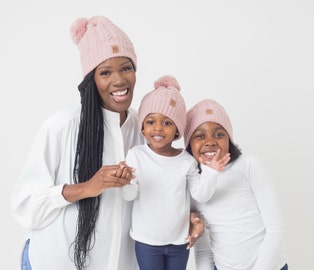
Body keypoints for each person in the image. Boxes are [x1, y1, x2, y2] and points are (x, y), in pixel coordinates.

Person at [10, 16, 203, 270]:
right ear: (92, 80)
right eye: (105, 72)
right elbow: (25, 207)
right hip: (55, 262)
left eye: (126, 68)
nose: (119, 80)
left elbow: (170, 184)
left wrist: (190, 216)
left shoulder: (147, 129)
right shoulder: (61, 126)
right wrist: (87, 187)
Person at [120, 76, 230, 270]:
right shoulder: (136, 155)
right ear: (143, 129)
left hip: (180, 242)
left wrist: (211, 172)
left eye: (167, 123)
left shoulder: (186, 161)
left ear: (178, 130)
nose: (158, 128)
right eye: (151, 122)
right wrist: (127, 181)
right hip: (147, 242)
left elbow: (200, 195)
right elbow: (129, 196)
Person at [184, 99, 288, 270]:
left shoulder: (249, 166)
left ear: (229, 139)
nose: (210, 141)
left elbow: (276, 231)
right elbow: (203, 247)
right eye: (200, 136)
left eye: (219, 134)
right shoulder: (195, 184)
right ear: (189, 144)